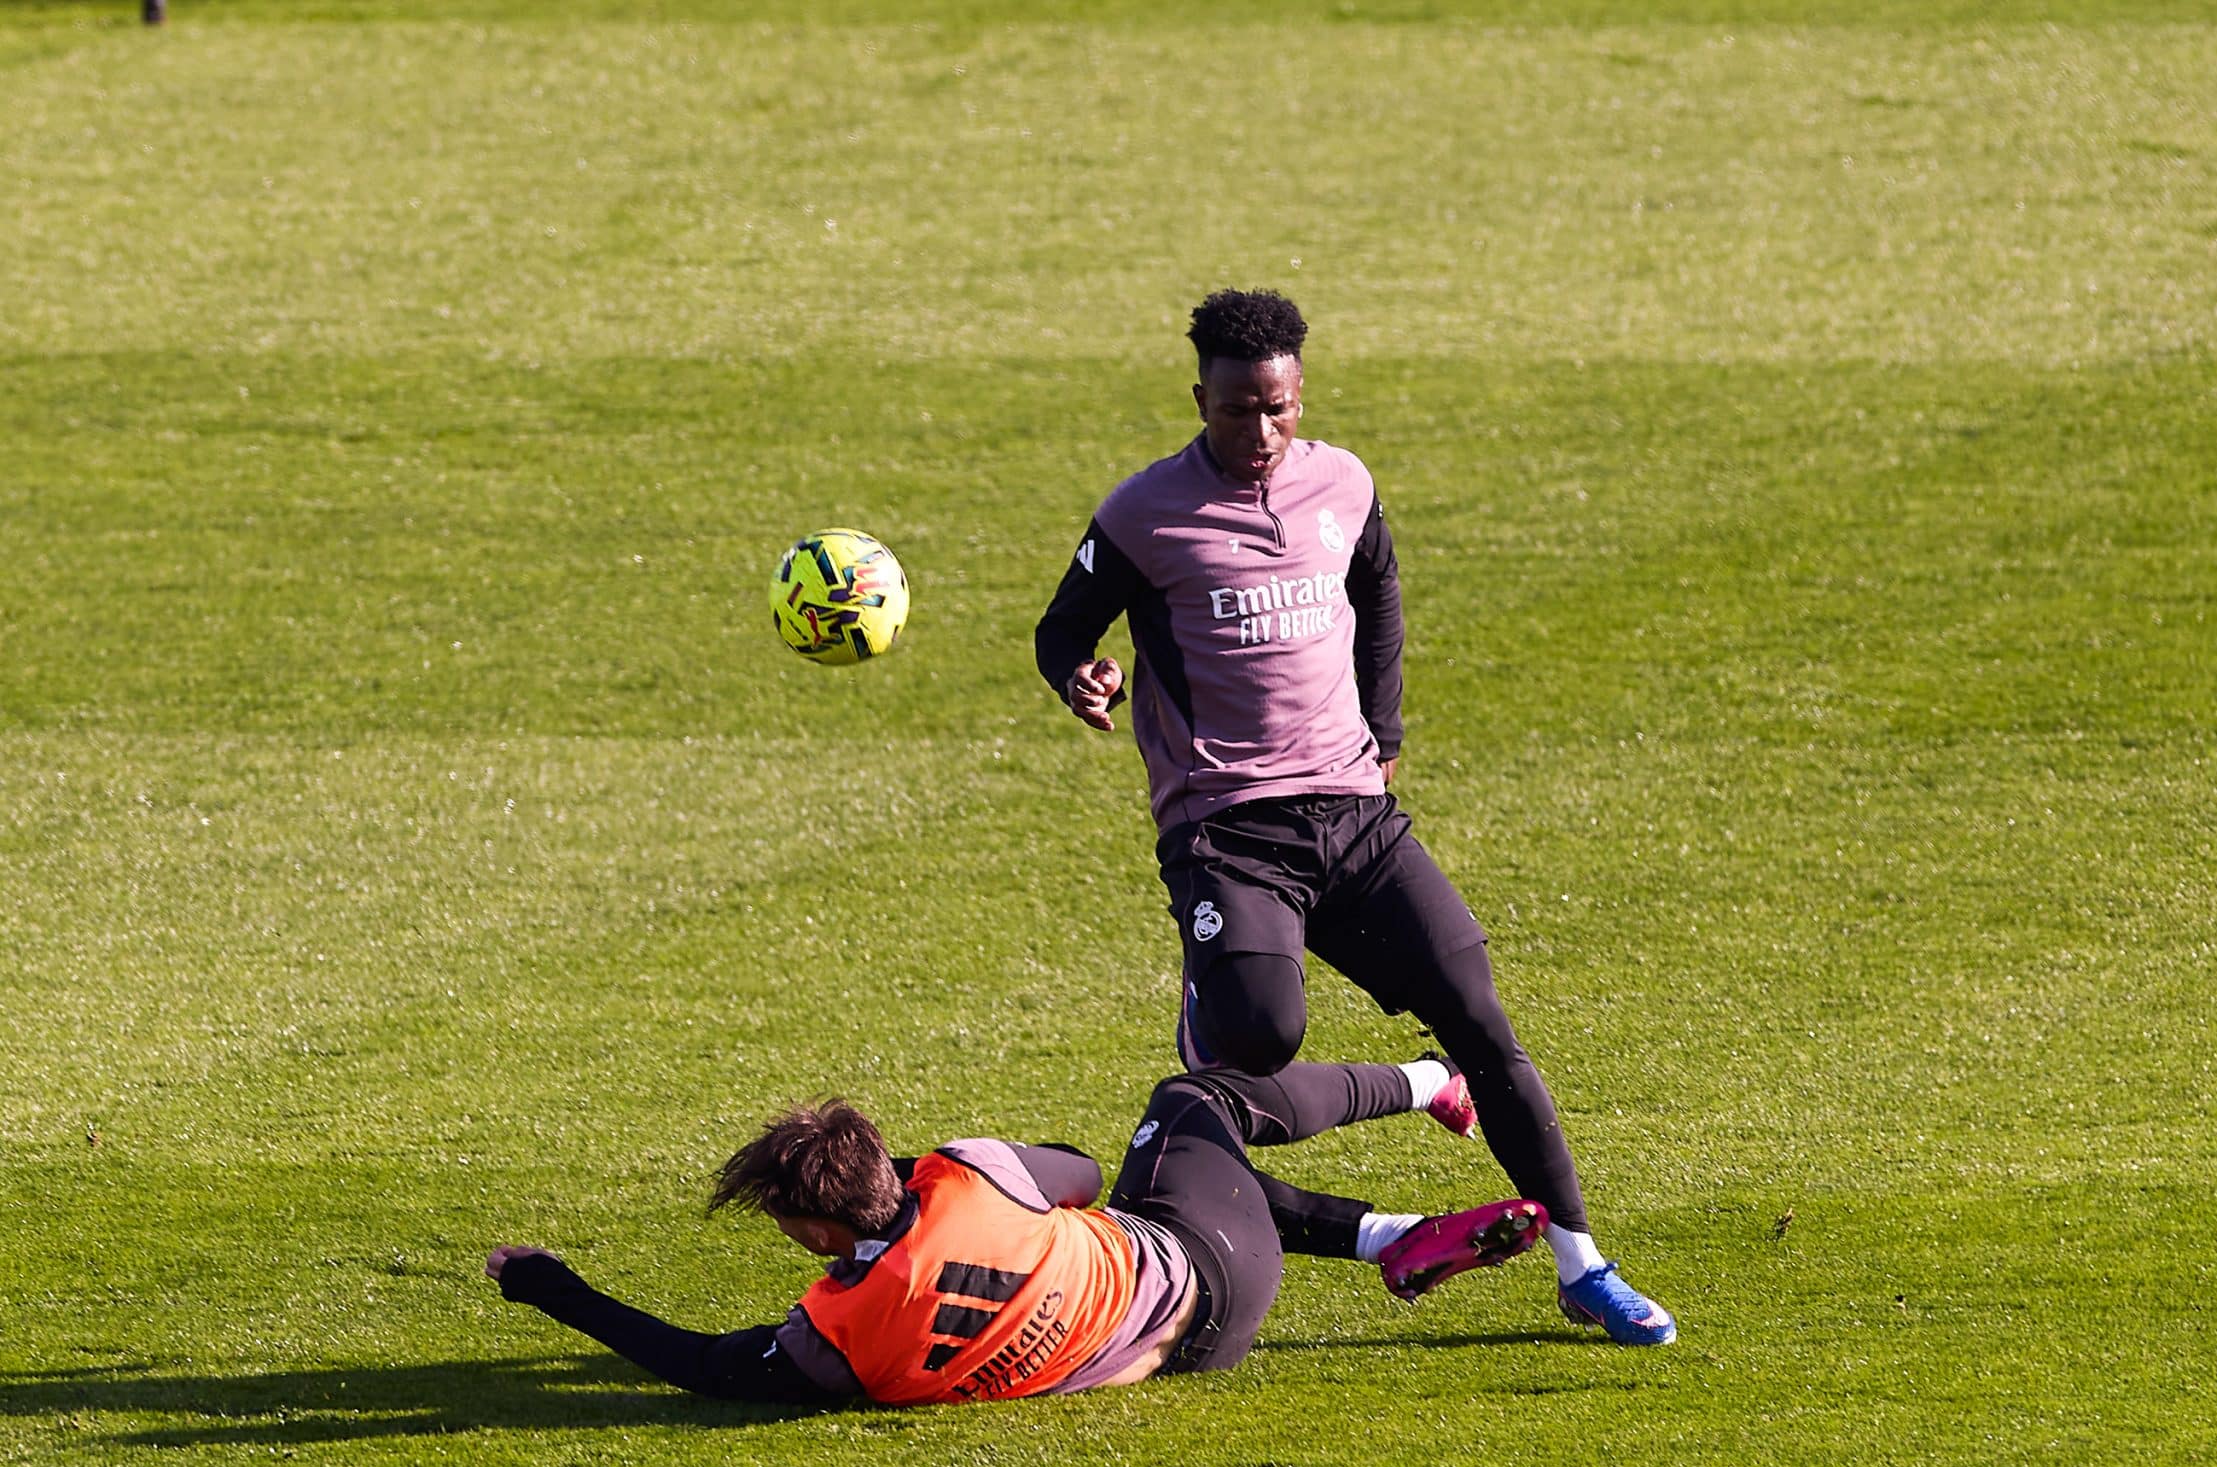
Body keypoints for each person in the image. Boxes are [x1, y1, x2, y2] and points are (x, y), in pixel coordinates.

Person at [1033, 288, 1673, 1346]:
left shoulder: (1343, 481)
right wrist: (1081, 678)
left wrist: (1382, 729)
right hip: (1229, 828)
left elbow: (1377, 588)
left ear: (1299, 395)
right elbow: (1061, 630)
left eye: (1278, 408)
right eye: (1238, 411)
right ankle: (1238, 1011)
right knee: (1254, 1044)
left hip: (1357, 818)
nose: (1261, 432)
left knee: (1482, 1020)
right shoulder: (1143, 514)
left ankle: (1581, 1262)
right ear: (1202, 400)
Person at [486, 1059, 1546, 1406]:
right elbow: (1078, 1176)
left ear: (816, 1235)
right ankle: (1425, 1083)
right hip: (1206, 1263)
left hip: (1180, 1352)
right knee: (1184, 1111)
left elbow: (704, 1367)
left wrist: (554, 1287)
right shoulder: (968, 1175)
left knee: (1177, 1165)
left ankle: (1394, 1235)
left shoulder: (838, 1334)